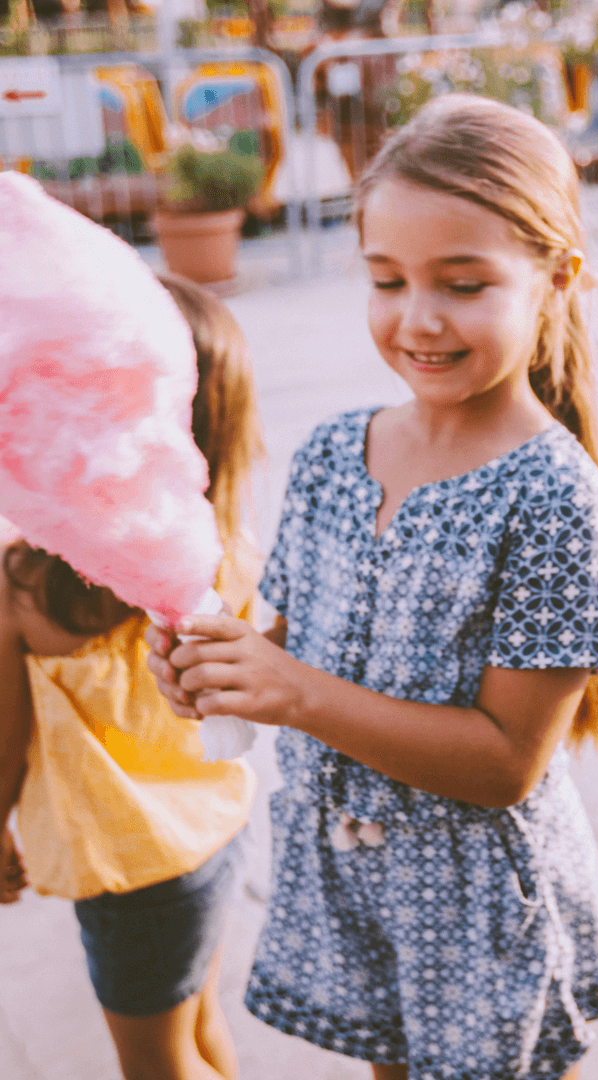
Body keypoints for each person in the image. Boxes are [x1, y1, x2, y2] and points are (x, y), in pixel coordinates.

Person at [146, 95, 598, 1080]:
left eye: (463, 284)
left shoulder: (554, 500)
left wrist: (295, 695)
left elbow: (505, 763)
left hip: (478, 905)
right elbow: (284, 644)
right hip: (354, 881)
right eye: (385, 279)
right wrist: (218, 667)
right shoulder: (333, 452)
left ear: (557, 279)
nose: (418, 319)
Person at [0, 274, 266, 1080]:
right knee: (199, 1024)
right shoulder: (231, 551)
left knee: (155, 1065)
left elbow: (6, 747)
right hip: (215, 832)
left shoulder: (25, 589)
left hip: (130, 873)